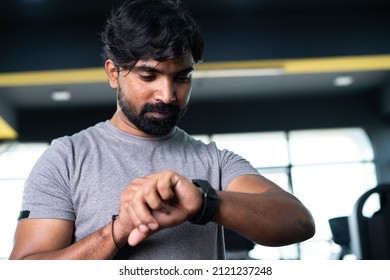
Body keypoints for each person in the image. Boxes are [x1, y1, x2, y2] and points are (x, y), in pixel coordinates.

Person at [9, 0, 315, 260]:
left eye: (181, 78)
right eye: (148, 75)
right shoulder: (66, 158)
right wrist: (118, 230)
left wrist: (205, 201)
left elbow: (299, 222)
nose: (167, 95)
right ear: (114, 73)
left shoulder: (216, 162)